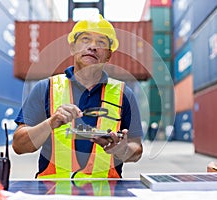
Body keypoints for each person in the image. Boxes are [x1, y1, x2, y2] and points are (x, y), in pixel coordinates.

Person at [12, 14, 143, 179]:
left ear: (109, 55)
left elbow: (137, 150)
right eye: (86, 39)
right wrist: (50, 123)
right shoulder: (45, 88)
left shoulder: (124, 94)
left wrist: (121, 149)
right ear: (73, 48)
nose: (93, 47)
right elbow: (19, 146)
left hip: (106, 194)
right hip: (53, 194)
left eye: (101, 42)